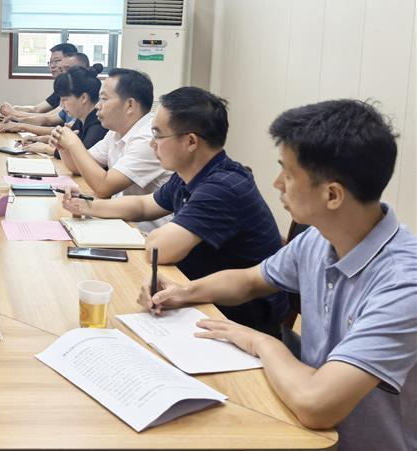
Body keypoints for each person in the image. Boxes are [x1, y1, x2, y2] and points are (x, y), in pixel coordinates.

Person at [138, 100, 416, 450]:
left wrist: (263, 342)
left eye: (288, 173)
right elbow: (249, 281)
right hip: (298, 424)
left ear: (332, 195)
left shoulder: (403, 284)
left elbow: (317, 405)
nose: (277, 183)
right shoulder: (320, 238)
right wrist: (183, 292)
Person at [62, 86, 288, 333]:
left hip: (239, 319)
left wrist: (155, 237)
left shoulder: (222, 187)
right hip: (200, 294)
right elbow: (143, 205)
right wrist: (89, 205)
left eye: (158, 135)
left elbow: (159, 249)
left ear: (190, 142)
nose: (152, 144)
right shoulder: (191, 173)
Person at [52, 68, 171, 232]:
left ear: (130, 105)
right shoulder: (116, 131)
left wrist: (73, 143)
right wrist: (63, 147)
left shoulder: (147, 139)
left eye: (104, 99)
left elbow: (104, 187)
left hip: (146, 232)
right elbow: (77, 167)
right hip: (122, 221)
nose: (97, 106)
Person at [0, 52, 94, 137]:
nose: (63, 73)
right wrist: (17, 120)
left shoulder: (83, 101)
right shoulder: (67, 92)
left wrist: (18, 121)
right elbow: (47, 119)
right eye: (61, 69)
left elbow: (64, 132)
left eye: (68, 69)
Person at [20, 65, 107, 157]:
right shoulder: (82, 119)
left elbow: (82, 156)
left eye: (64, 99)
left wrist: (46, 149)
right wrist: (38, 139)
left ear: (83, 98)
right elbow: (65, 140)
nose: (61, 105)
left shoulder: (98, 125)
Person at [0, 43, 78, 118]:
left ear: (71, 61)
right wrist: (13, 108)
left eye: (57, 61)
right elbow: (36, 109)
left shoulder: (75, 86)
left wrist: (13, 113)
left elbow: (49, 118)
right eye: (50, 62)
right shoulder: (61, 86)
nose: (52, 66)